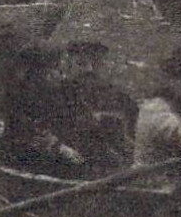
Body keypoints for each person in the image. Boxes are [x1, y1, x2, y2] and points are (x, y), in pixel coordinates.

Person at [0, 45, 85, 176]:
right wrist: (59, 147)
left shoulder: (59, 93)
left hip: (52, 150)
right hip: (24, 156)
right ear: (40, 72)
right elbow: (28, 131)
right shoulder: (18, 96)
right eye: (57, 69)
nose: (63, 75)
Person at [55, 40, 139, 173]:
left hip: (109, 148)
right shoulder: (64, 90)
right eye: (81, 62)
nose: (89, 68)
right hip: (78, 152)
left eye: (94, 61)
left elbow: (131, 124)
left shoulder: (114, 92)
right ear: (71, 62)